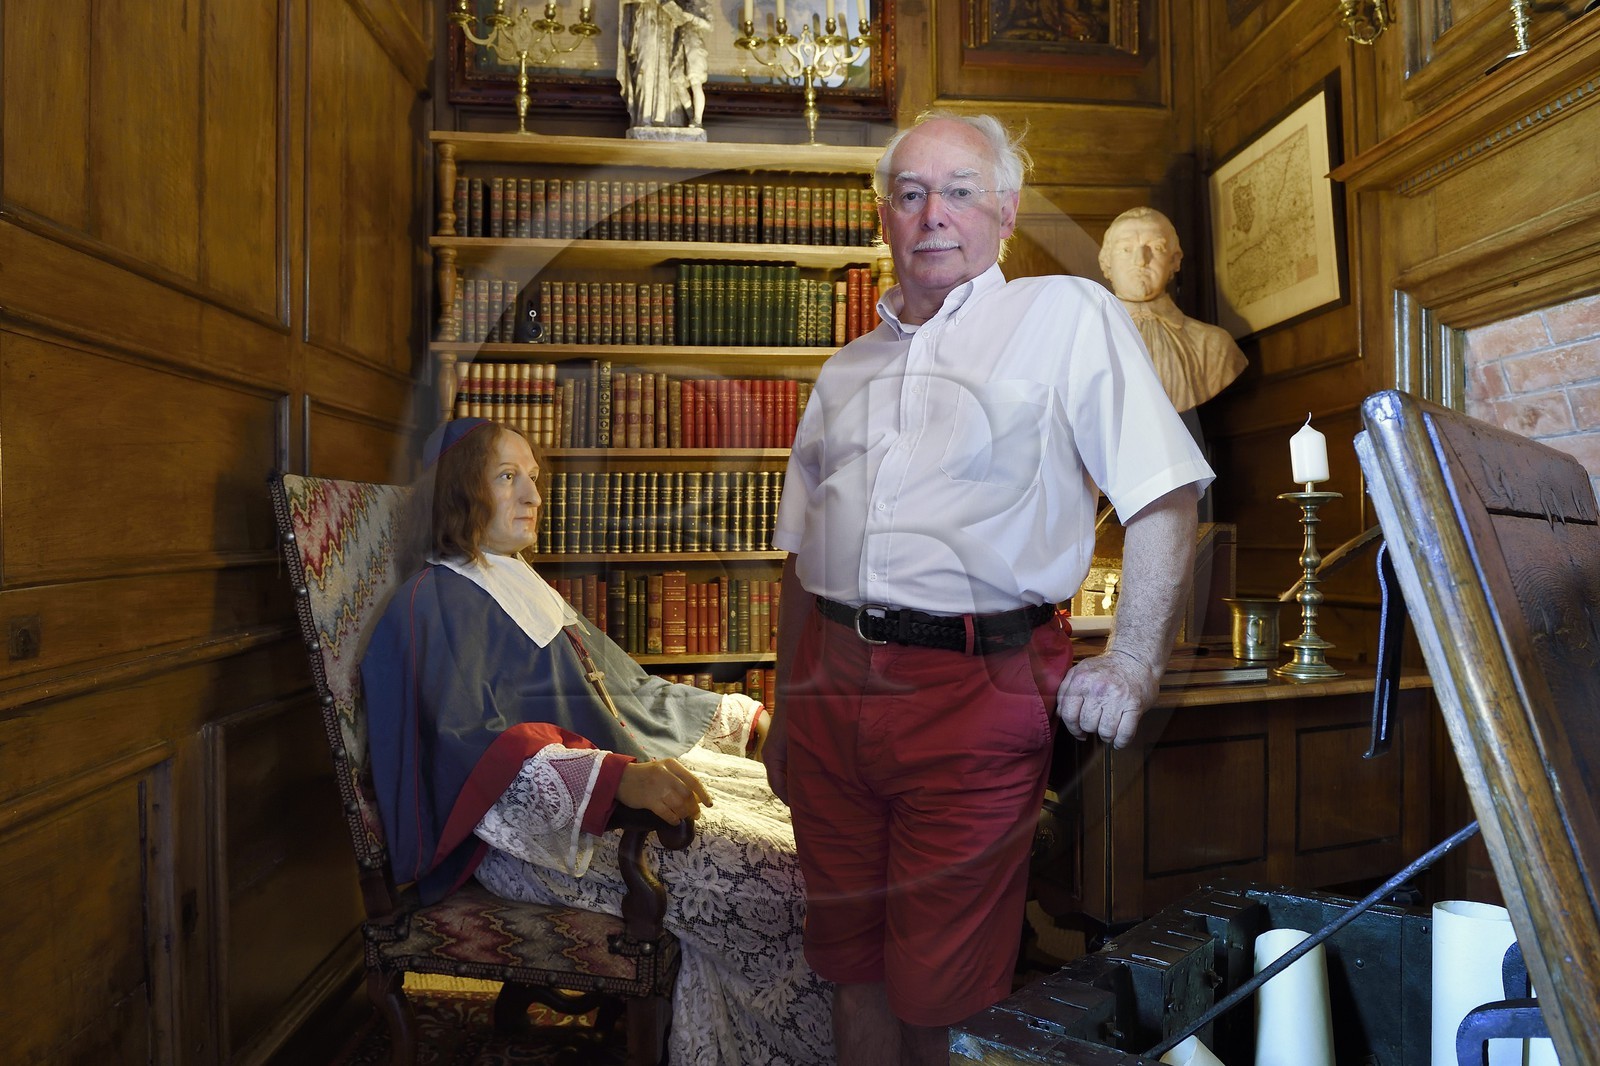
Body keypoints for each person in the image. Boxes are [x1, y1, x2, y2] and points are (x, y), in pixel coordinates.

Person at [765, 113, 1215, 1065]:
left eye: (961, 190)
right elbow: (799, 561)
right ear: (883, 217)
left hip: (976, 693)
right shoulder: (845, 368)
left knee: (943, 993)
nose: (934, 214)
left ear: (1005, 211)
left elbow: (1165, 494)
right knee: (850, 968)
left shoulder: (1065, 315)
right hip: (829, 684)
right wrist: (786, 706)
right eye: (911, 193)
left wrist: (1132, 662)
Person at [360, 417, 832, 1065]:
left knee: (817, 825)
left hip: (591, 803)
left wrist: (752, 723)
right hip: (524, 839)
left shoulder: (515, 580)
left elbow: (629, 694)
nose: (532, 495)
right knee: (799, 875)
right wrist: (616, 782)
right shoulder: (435, 601)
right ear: (456, 490)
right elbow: (468, 749)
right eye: (506, 477)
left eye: (533, 477)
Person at [1098, 206, 1247, 414]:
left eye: (1156, 248)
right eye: (1126, 249)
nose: (1141, 260)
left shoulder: (1215, 346)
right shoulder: (1082, 344)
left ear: (1175, 260)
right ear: (1106, 262)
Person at [617, 0, 712, 132]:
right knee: (646, 68)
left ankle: (687, 119)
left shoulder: (699, 5)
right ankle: (645, 117)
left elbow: (704, 22)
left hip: (673, 29)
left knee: (676, 79)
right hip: (647, 18)